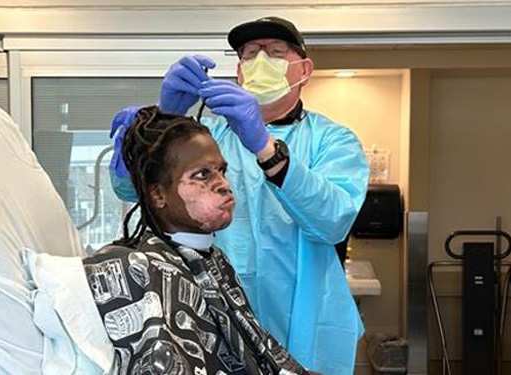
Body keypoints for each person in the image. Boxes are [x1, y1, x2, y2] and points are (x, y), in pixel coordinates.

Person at [110, 17, 369, 375]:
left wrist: (265, 147)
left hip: (306, 327)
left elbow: (333, 222)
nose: (260, 61)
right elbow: (130, 189)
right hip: (217, 320)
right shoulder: (206, 136)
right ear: (239, 71)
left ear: (304, 69)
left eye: (275, 52)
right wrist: (163, 121)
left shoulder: (334, 141)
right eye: (250, 54)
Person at [92, 105, 310, 375]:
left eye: (221, 171)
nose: (223, 184)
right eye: (202, 175)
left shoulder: (213, 258)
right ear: (158, 194)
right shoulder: (135, 268)